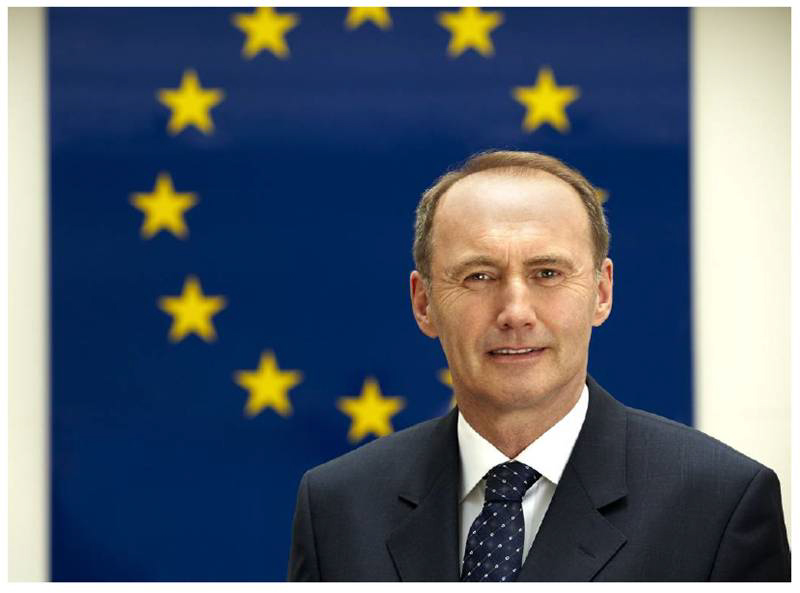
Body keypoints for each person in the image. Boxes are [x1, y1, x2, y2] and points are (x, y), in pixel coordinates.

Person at [287, 150, 791, 581]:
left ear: (601, 292)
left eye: (547, 273)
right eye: (479, 275)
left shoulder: (720, 505)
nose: (516, 312)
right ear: (424, 303)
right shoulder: (337, 507)